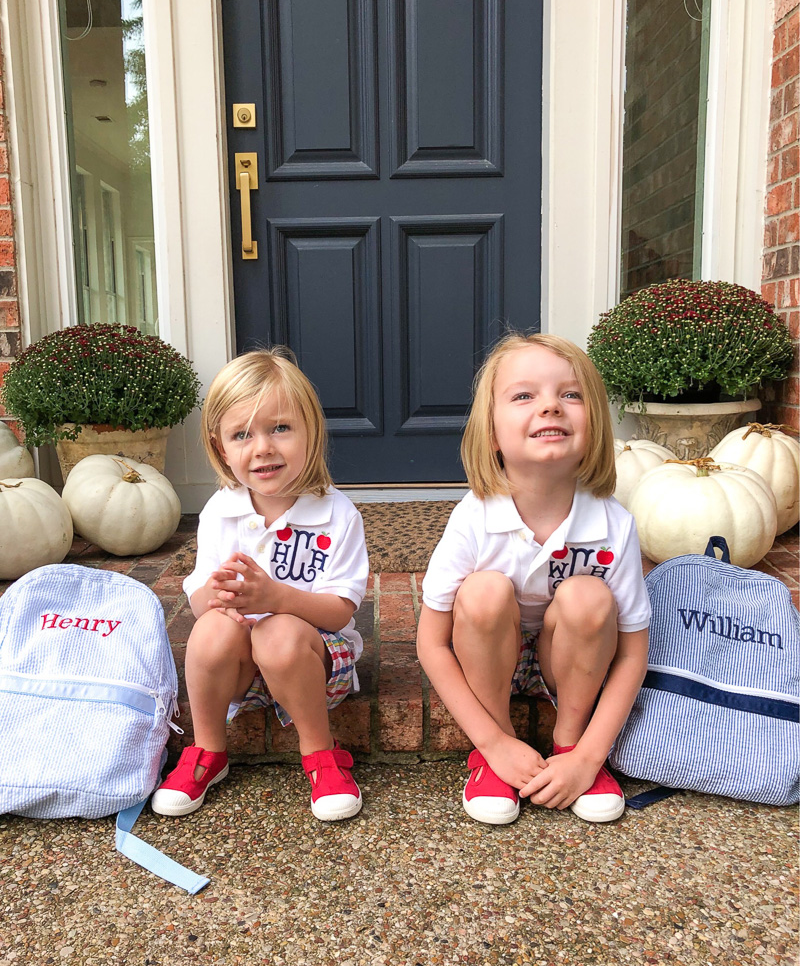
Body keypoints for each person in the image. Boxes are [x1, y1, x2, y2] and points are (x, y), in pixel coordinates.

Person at [417, 333, 651, 825]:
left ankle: (569, 744)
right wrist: (493, 740)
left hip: (566, 661)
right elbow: (432, 646)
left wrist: (588, 754)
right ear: (491, 433)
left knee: (589, 596)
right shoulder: (473, 518)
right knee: (483, 591)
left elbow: (632, 652)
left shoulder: (613, 524)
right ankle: (494, 758)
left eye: (571, 394)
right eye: (524, 396)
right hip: (486, 656)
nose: (550, 407)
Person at [152, 348, 369, 822]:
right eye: (242, 435)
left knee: (279, 632)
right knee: (209, 630)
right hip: (244, 676)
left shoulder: (336, 514)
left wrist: (277, 599)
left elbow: (340, 611)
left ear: (311, 430)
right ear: (221, 448)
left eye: (281, 428)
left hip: (314, 663)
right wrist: (216, 598)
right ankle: (208, 750)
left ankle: (320, 752)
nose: (263, 447)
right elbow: (197, 598)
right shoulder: (220, 511)